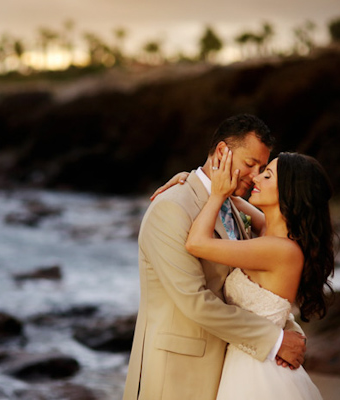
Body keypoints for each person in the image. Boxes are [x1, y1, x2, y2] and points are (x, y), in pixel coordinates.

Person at [123, 114, 307, 400]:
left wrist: (287, 328)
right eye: (250, 164)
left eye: (262, 168)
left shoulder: (232, 204)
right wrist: (275, 339)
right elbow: (195, 300)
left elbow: (258, 287)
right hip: (177, 375)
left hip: (229, 370)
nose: (256, 176)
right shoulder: (171, 208)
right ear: (222, 152)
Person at [183, 149, 334, 399]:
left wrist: (217, 195)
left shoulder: (279, 249)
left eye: (267, 175)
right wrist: (185, 181)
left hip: (257, 371)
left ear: (288, 191)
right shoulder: (269, 231)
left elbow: (196, 243)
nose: (256, 178)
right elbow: (220, 191)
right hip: (252, 357)